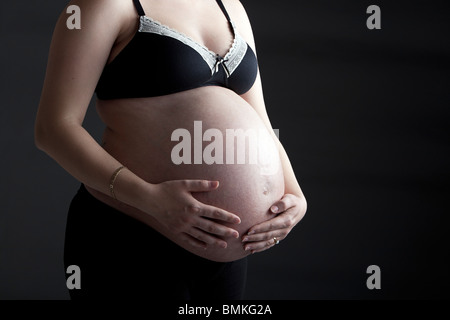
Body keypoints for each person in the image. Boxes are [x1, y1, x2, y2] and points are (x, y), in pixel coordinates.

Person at [35, 0, 307, 300]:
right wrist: (149, 199)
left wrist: (295, 194)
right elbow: (54, 128)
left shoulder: (229, 6)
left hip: (224, 250)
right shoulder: (107, 5)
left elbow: (262, 123)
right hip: (132, 235)